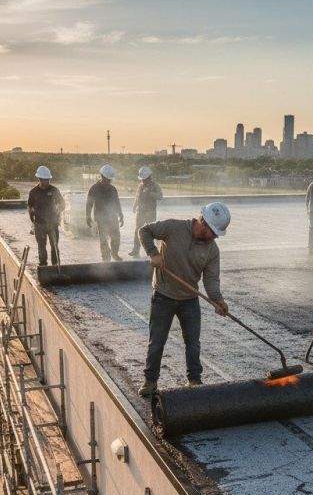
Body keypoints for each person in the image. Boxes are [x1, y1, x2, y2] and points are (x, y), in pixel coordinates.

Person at [137, 202, 231, 396]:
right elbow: (144, 230)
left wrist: (217, 299)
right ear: (203, 222)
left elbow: (211, 278)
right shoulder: (174, 227)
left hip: (189, 299)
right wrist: (153, 253)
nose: (214, 237)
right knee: (157, 341)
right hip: (163, 294)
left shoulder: (212, 250)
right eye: (213, 232)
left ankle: (194, 380)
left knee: (193, 342)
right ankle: (150, 381)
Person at [27, 166, 65, 266]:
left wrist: (59, 210)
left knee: (55, 247)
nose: (47, 181)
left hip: (52, 224)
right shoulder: (33, 192)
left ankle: (56, 266)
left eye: (48, 179)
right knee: (41, 247)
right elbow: (30, 207)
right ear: (39, 179)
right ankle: (43, 267)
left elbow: (62, 203)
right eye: (45, 179)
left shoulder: (54, 190)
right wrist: (33, 220)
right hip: (39, 225)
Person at [86, 165, 124, 261]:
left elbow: (117, 202)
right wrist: (87, 216)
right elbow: (89, 203)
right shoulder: (94, 188)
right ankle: (106, 257)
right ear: (102, 176)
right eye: (108, 179)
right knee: (103, 239)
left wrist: (121, 214)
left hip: (112, 217)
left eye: (110, 180)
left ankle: (115, 254)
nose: (109, 181)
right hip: (100, 218)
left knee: (116, 237)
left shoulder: (113, 189)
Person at [129, 166, 163, 256]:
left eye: (144, 179)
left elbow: (160, 196)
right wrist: (134, 205)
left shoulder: (155, 186)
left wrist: (151, 193)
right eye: (142, 179)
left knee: (151, 231)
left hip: (150, 212)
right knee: (137, 230)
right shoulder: (140, 185)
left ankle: (154, 252)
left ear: (149, 177)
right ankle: (135, 250)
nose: (143, 181)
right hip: (140, 211)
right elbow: (137, 196)